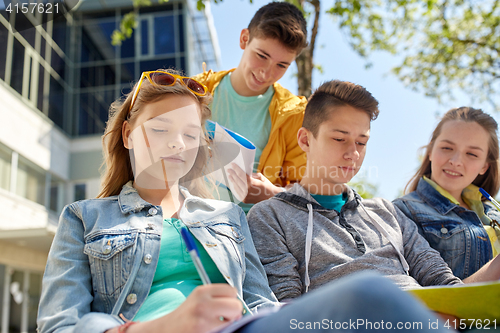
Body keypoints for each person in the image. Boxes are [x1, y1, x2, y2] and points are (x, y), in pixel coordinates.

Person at [37, 70, 454, 333]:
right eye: (160, 130)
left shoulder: (227, 215)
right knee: (370, 295)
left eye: (189, 134)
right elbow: (60, 325)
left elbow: (262, 303)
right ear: (128, 134)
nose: (177, 145)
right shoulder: (84, 218)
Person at [247, 80, 500, 302]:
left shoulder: (386, 212)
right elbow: (288, 311)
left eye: (361, 142)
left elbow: (444, 284)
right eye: (339, 138)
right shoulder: (270, 216)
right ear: (305, 140)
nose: (353, 153)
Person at [193, 2, 308, 209]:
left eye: (282, 65)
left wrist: (273, 194)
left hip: (254, 227)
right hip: (189, 219)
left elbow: (306, 190)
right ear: (244, 39)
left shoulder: (295, 115)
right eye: (261, 56)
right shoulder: (195, 90)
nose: (266, 73)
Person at [393, 107, 500, 280]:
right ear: (430, 152)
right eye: (447, 148)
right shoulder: (400, 212)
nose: (456, 161)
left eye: (471, 154)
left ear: (484, 167)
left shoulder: (493, 211)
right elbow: (423, 299)